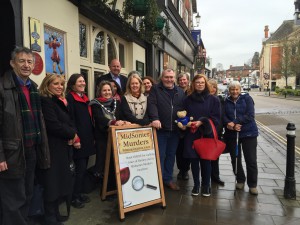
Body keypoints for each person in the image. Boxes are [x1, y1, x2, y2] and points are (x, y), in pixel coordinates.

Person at [0, 46, 50, 225]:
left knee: (28, 193)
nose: (26, 65)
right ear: (12, 63)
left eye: (30, 62)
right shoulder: (3, 87)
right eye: (21, 61)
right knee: (13, 199)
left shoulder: (34, 88)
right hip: (12, 153)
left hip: (31, 150)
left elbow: (39, 122)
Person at [39, 74, 78, 225]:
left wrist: (72, 131)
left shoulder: (57, 101)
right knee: (52, 183)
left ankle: (55, 214)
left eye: (61, 84)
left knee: (59, 182)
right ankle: (50, 218)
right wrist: (72, 133)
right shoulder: (46, 101)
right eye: (55, 84)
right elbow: (53, 125)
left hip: (61, 148)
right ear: (47, 85)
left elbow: (68, 121)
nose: (59, 87)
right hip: (51, 149)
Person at [183, 74, 221, 197]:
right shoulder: (187, 99)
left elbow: (216, 118)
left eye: (202, 82)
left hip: (206, 134)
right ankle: (196, 185)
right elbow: (184, 115)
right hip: (192, 133)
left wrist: (202, 121)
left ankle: (206, 185)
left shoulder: (214, 100)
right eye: (197, 82)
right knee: (194, 161)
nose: (200, 84)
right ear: (193, 84)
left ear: (206, 84)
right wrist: (186, 123)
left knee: (206, 161)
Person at [147, 68, 185, 191]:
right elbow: (152, 105)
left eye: (171, 77)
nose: (169, 79)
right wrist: (155, 118)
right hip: (161, 129)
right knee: (160, 155)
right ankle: (158, 180)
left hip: (174, 130)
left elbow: (183, 109)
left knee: (170, 155)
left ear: (174, 78)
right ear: (162, 78)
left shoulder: (180, 91)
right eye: (166, 77)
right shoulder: (156, 89)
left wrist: (184, 122)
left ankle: (167, 179)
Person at [223, 81, 259, 195]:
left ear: (240, 89)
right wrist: (229, 124)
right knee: (236, 158)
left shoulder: (247, 99)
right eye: (232, 89)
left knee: (251, 160)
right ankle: (240, 180)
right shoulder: (226, 101)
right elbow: (223, 116)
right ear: (229, 91)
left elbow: (250, 115)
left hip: (249, 133)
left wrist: (235, 122)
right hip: (233, 134)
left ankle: (252, 184)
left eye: (236, 89)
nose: (234, 91)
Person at [66, 74, 95, 209]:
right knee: (79, 169)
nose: (83, 83)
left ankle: (80, 192)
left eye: (84, 81)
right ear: (72, 84)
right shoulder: (70, 98)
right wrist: (75, 137)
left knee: (83, 170)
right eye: (79, 81)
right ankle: (74, 197)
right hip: (79, 140)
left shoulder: (84, 97)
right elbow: (70, 120)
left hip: (87, 139)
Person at [90, 81, 130, 180]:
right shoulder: (95, 103)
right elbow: (99, 119)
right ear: (100, 91)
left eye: (109, 90)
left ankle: (114, 186)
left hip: (116, 137)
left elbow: (122, 116)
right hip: (102, 137)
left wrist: (125, 122)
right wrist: (113, 122)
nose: (107, 92)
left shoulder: (117, 102)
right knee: (103, 162)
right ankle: (103, 187)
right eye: (104, 90)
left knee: (115, 162)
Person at [207, 79, 225, 186]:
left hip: (217, 132)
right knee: (205, 156)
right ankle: (205, 177)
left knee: (215, 156)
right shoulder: (204, 100)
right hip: (206, 131)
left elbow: (223, 116)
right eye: (210, 86)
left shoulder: (221, 100)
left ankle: (215, 176)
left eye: (214, 87)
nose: (212, 89)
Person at [175, 72, 191, 181]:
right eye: (180, 80)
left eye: (184, 79)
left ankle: (185, 170)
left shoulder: (192, 92)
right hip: (178, 124)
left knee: (187, 148)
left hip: (189, 124)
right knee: (179, 149)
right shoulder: (175, 91)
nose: (182, 81)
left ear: (188, 80)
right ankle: (181, 169)